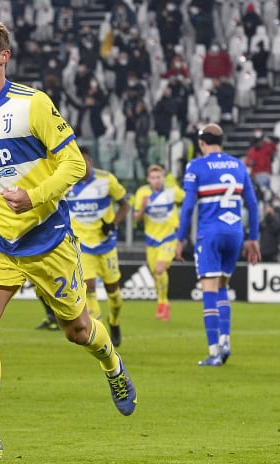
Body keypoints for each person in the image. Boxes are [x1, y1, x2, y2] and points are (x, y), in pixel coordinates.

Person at [0, 17, 136, 460]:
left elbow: (74, 164)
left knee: (77, 330)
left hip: (47, 239)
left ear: (2, 56)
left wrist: (33, 197)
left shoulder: (32, 104)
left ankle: (112, 363)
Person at [175, 123, 261, 366]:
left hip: (210, 234)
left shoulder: (196, 166)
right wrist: (253, 238)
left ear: (201, 143)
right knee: (223, 285)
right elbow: (253, 205)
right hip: (235, 233)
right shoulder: (237, 164)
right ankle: (225, 340)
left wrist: (179, 239)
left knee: (209, 289)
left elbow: (189, 207)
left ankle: (214, 351)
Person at [65, 147, 130, 345]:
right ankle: (98, 333)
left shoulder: (106, 180)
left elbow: (125, 204)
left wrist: (113, 224)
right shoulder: (66, 183)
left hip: (106, 244)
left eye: (85, 162)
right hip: (83, 245)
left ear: (91, 162)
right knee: (89, 288)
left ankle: (114, 321)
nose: (82, 167)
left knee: (114, 293)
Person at [134, 164, 184, 321]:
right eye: (153, 177)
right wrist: (143, 207)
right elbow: (136, 218)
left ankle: (162, 302)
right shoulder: (142, 193)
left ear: (163, 178)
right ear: (149, 179)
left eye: (159, 177)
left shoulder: (172, 191)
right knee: (156, 274)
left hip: (169, 237)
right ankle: (163, 302)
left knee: (160, 268)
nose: (156, 180)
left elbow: (188, 199)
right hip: (151, 239)